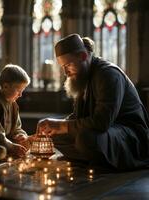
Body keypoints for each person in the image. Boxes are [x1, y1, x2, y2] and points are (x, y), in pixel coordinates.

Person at [37, 33, 149, 170]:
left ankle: (90, 156)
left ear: (83, 56)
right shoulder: (82, 76)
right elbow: (78, 118)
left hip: (128, 134)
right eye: (62, 67)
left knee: (86, 139)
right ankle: (91, 156)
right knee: (54, 136)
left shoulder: (108, 74)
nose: (66, 72)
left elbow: (101, 122)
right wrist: (53, 126)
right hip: (103, 132)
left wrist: (62, 125)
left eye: (68, 65)